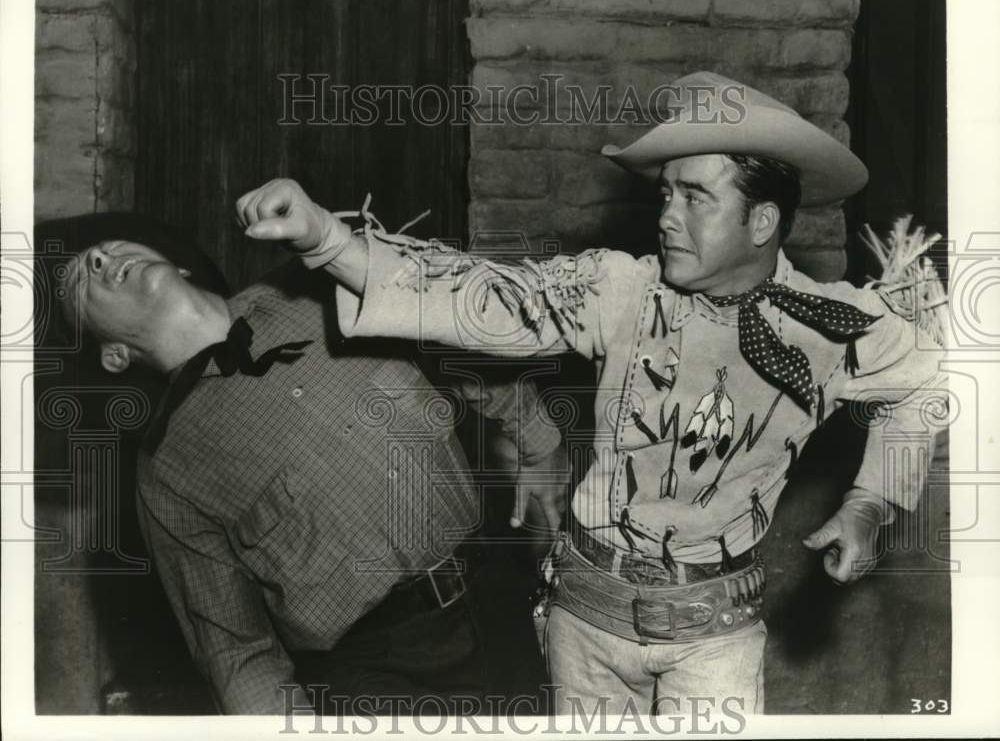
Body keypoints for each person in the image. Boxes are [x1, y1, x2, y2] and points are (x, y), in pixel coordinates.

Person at [235, 71, 945, 716]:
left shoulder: (833, 324)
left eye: (695, 197)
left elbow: (922, 388)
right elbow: (489, 302)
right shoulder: (621, 289)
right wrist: (326, 238)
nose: (667, 215)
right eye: (665, 193)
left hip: (715, 637)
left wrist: (869, 503)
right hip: (586, 621)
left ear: (761, 221)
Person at [59, 238, 565, 715]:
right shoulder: (165, 472)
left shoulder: (319, 287)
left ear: (181, 267)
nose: (102, 256)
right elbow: (236, 653)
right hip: (377, 677)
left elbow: (451, 343)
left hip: (496, 603)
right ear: (114, 356)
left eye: (105, 248)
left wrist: (538, 441)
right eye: (83, 277)